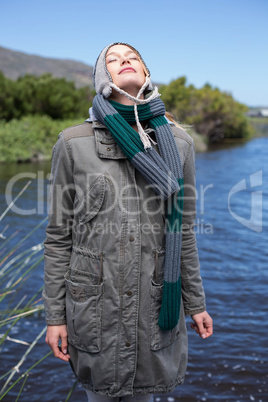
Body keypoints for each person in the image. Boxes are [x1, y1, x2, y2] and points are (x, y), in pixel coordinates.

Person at [43, 42, 213, 402]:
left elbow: (183, 235)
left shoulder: (179, 145)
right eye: (113, 59)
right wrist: (54, 316)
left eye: (133, 57)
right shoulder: (73, 144)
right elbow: (59, 237)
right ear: (102, 78)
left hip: (154, 303)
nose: (124, 61)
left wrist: (196, 303)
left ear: (146, 72)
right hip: (94, 307)